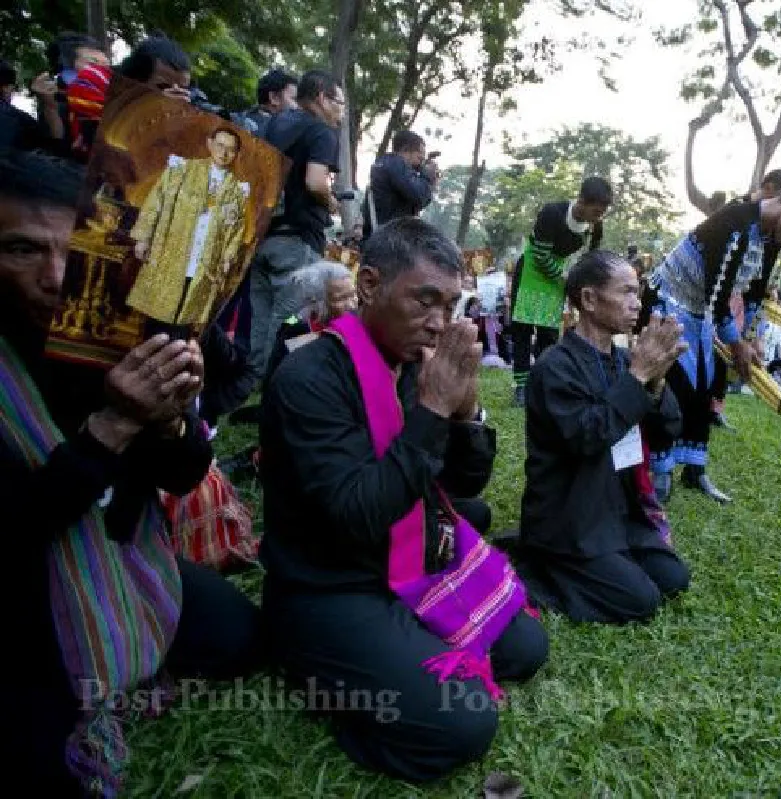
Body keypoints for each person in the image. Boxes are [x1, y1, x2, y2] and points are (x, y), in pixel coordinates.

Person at [3, 149, 261, 796]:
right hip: (25, 586)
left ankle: (127, 648)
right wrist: (112, 427)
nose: (52, 276)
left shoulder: (111, 333)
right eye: (20, 250)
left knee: (243, 638)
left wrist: (171, 418)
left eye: (71, 251)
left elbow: (182, 477)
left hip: (121, 554)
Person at [258, 217, 546, 783]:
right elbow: (355, 514)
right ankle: (321, 677)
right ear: (368, 286)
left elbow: (463, 487)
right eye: (424, 301)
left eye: (451, 304)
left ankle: (396, 651)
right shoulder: (310, 377)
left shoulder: (415, 362)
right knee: (465, 724)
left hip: (410, 556)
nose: (439, 323)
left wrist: (464, 414)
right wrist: (432, 410)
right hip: (332, 583)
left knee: (525, 648)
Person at [641, 172, 781, 503]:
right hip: (669, 303)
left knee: (705, 383)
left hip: (701, 313)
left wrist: (746, 339)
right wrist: (736, 342)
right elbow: (717, 295)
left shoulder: (771, 239)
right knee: (675, 385)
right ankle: (659, 470)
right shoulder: (733, 223)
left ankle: (695, 468)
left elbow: (752, 293)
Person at [516, 250, 690, 623]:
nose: (636, 302)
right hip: (570, 517)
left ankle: (608, 561)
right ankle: (535, 566)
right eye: (626, 292)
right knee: (640, 601)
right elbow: (587, 437)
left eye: (638, 292)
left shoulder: (627, 362)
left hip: (616, 510)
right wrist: (639, 377)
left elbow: (666, 434)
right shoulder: (555, 367)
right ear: (590, 300)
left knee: (674, 579)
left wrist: (657, 381)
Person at [248, 69, 345, 382]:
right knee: (295, 319)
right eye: (338, 103)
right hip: (297, 240)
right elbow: (316, 182)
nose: (341, 112)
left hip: (262, 235)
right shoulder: (320, 131)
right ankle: (283, 389)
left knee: (259, 319)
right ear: (320, 97)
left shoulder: (273, 123)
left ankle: (252, 384)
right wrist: (331, 203)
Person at [126, 126, 249, 330]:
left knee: (185, 319)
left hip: (205, 261)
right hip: (172, 252)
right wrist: (143, 237)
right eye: (219, 145)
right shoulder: (182, 169)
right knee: (156, 316)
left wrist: (228, 258)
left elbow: (236, 230)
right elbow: (156, 200)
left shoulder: (237, 191)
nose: (223, 153)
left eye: (230, 149)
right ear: (209, 143)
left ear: (236, 154)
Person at [509, 176, 611, 407]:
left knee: (548, 333)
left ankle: (542, 383)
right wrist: (567, 279)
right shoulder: (552, 213)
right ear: (582, 201)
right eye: (596, 211)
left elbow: (589, 259)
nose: (599, 217)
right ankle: (521, 386)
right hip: (532, 272)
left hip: (558, 276)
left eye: (602, 212)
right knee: (522, 330)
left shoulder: (594, 228)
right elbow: (541, 256)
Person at [366, 130, 438, 231]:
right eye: (420, 153)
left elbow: (418, 204)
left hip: (385, 231)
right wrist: (427, 176)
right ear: (406, 150)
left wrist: (430, 183)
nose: (422, 159)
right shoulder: (396, 164)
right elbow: (419, 196)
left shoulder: (385, 163)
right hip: (392, 236)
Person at [233, 68, 299, 137]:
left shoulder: (237, 119)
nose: (297, 106)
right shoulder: (277, 135)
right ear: (274, 97)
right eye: (293, 99)